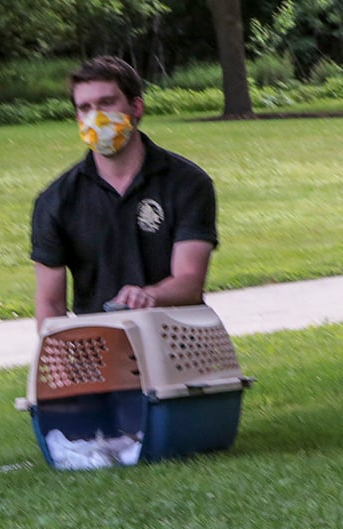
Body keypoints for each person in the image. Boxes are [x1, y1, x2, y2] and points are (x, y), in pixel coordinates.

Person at [30, 55, 218, 330]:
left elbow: (189, 281)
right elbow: (50, 303)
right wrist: (60, 368)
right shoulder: (56, 201)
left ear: (136, 107)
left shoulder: (187, 183)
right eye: (85, 108)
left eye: (107, 103)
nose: (96, 117)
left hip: (178, 340)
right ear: (77, 118)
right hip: (100, 348)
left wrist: (148, 296)